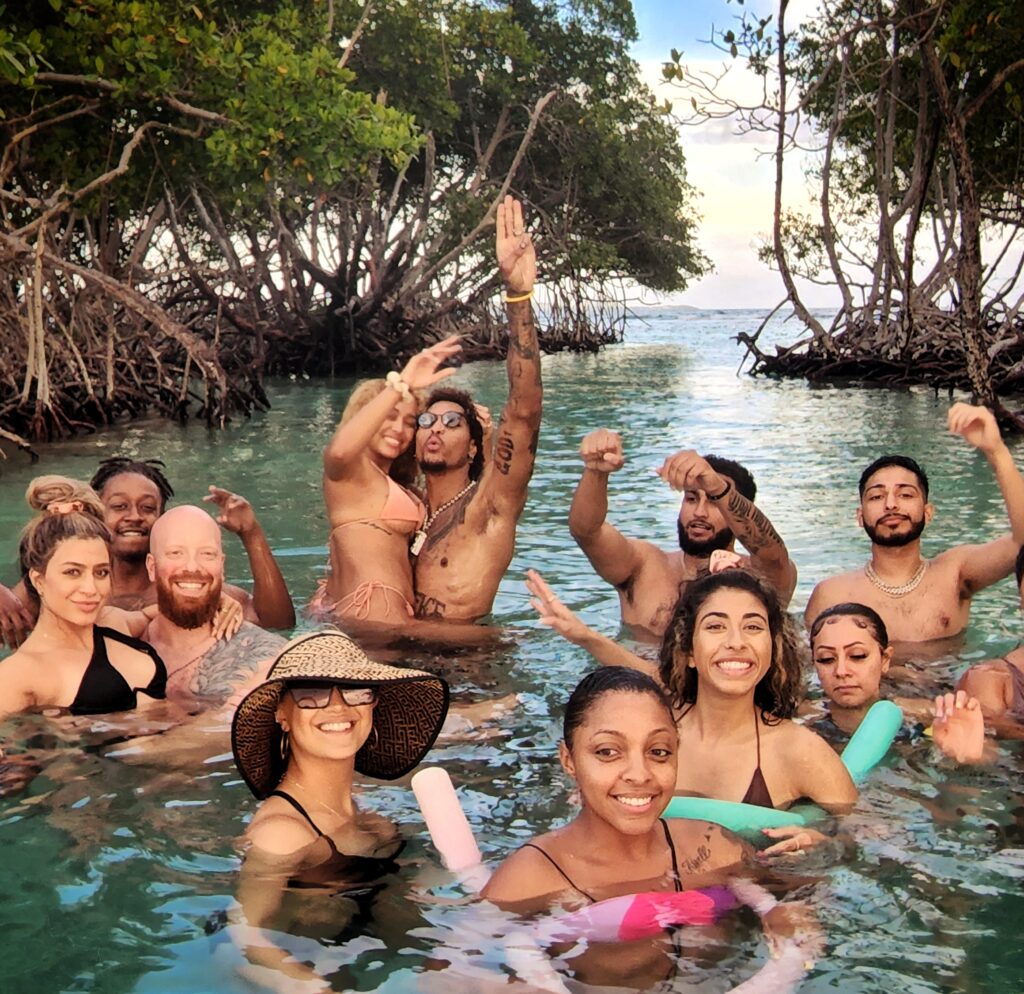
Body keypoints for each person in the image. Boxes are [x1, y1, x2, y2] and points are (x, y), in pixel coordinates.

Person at [480, 667, 823, 991]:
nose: (639, 774)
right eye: (608, 752)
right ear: (569, 760)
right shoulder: (528, 880)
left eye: (658, 752)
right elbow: (453, 974)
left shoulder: (714, 846)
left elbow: (802, 889)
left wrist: (817, 856)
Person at [230, 630, 449, 985]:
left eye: (355, 689)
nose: (338, 706)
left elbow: (406, 921)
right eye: (311, 692)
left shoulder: (374, 822)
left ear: (373, 704)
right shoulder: (282, 833)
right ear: (281, 714)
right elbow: (244, 940)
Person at [0, 457, 295, 646]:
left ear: (162, 519)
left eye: (148, 508)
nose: (134, 516)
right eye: (118, 506)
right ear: (94, 514)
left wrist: (251, 533)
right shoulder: (58, 588)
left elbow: (279, 624)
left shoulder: (190, 589)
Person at [412, 195, 543, 622]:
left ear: (472, 447)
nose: (435, 428)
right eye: (426, 420)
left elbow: (523, 411)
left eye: (452, 422)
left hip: (467, 673)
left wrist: (517, 296)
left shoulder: (488, 507)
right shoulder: (403, 511)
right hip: (396, 668)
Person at [804, 403, 1024, 643]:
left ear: (928, 512)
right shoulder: (832, 594)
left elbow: (1021, 544)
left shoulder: (954, 574)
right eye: (877, 496)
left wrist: (997, 452)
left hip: (945, 680)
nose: (890, 504)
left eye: (905, 494)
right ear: (860, 516)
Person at [568, 433, 796, 640]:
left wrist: (718, 487)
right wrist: (596, 472)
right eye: (691, 499)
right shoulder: (642, 566)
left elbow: (772, 554)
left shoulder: (761, 577)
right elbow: (586, 531)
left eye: (714, 502)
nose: (699, 512)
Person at [315, 337, 462, 626]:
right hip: (372, 616)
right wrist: (401, 385)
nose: (400, 429)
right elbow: (340, 450)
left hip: (386, 618)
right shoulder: (350, 474)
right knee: (502, 640)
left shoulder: (401, 487)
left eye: (410, 422)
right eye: (390, 417)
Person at [0, 477, 166, 721]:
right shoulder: (19, 674)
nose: (91, 589)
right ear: (38, 580)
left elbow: (165, 612)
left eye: (100, 572)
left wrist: (220, 603)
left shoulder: (113, 622)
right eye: (72, 572)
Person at [140, 505, 287, 708]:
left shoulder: (270, 658)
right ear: (151, 567)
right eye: (176, 553)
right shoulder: (122, 642)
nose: (192, 566)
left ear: (222, 565)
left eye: (207, 554)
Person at [809, 602, 988, 763]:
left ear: (885, 660)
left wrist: (962, 758)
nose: (841, 671)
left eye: (857, 656)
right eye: (826, 659)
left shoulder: (927, 716)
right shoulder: (801, 723)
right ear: (814, 664)